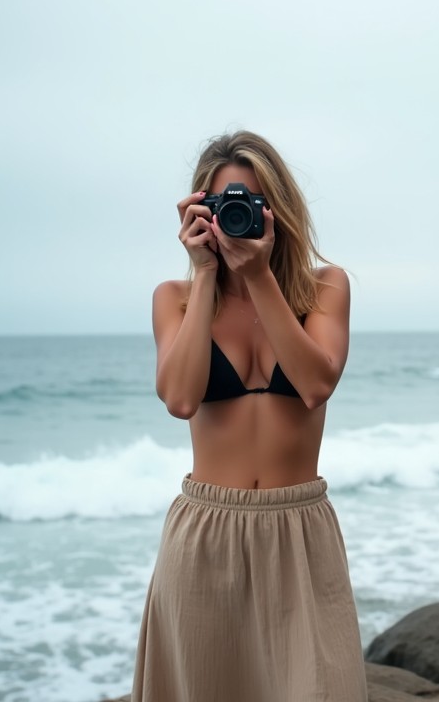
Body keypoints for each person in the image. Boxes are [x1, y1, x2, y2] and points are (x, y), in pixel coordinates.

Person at [131, 131, 368, 701]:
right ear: (200, 213)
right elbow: (181, 399)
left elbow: (315, 384)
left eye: (254, 202)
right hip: (206, 534)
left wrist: (260, 277)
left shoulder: (324, 286)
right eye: (223, 204)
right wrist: (207, 273)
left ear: (279, 209)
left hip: (300, 530)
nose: (239, 215)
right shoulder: (176, 297)